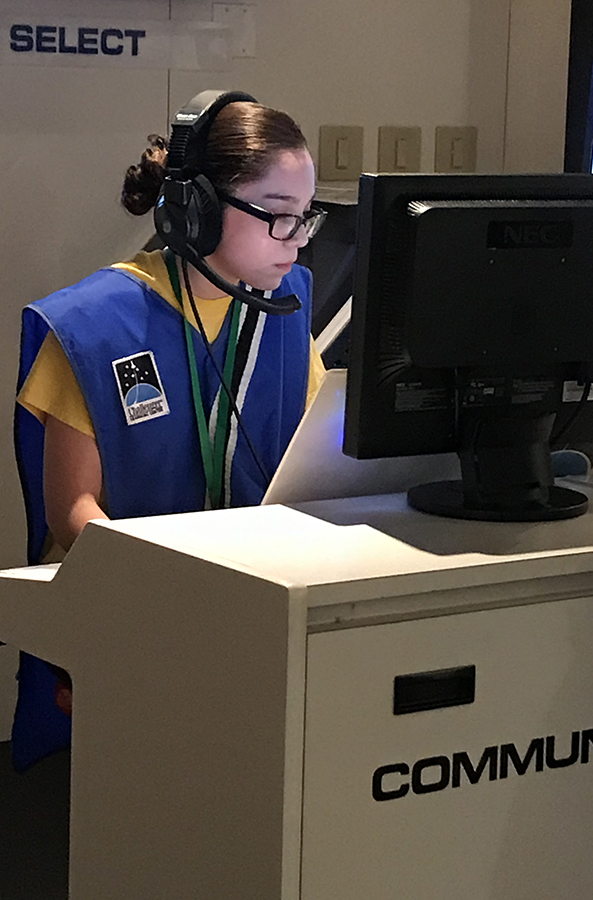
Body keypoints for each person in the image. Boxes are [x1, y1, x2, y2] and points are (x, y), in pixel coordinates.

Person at [12, 90, 327, 770]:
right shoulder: (94, 326)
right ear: (199, 208)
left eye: (306, 219)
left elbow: (318, 468)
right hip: (134, 615)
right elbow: (72, 512)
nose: (296, 241)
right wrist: (178, 589)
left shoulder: (290, 312)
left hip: (254, 607)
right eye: (277, 217)